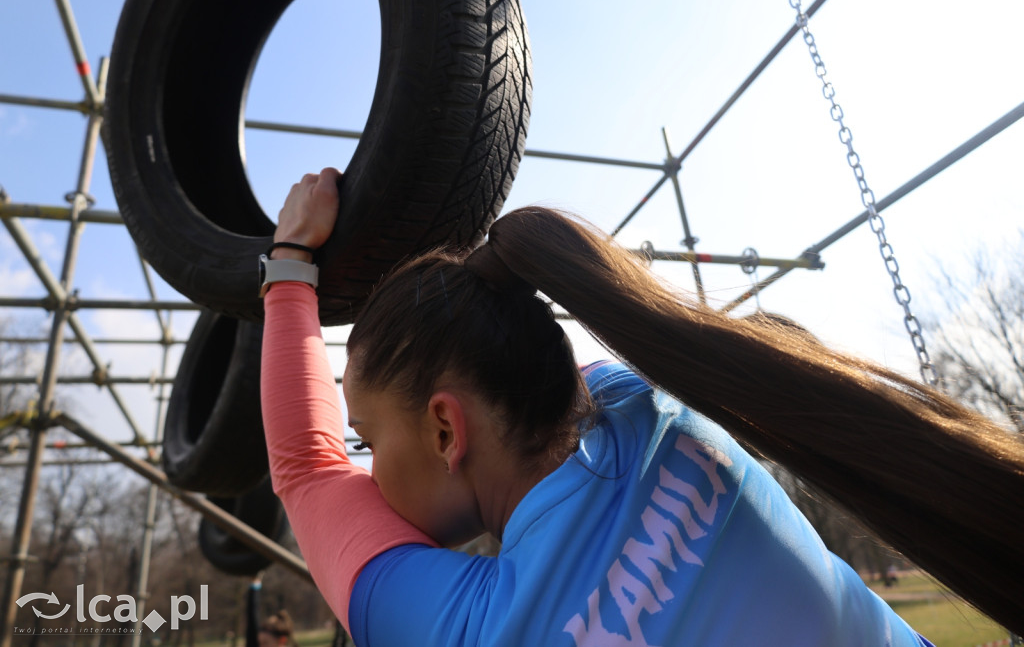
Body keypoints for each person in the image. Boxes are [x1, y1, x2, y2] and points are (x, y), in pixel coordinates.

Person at [261, 167, 1024, 645]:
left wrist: (289, 267)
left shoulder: (474, 627)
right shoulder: (656, 409)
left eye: (367, 438)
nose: (364, 469)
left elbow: (304, 469)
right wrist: (292, 265)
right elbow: (528, 357)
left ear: (443, 428)